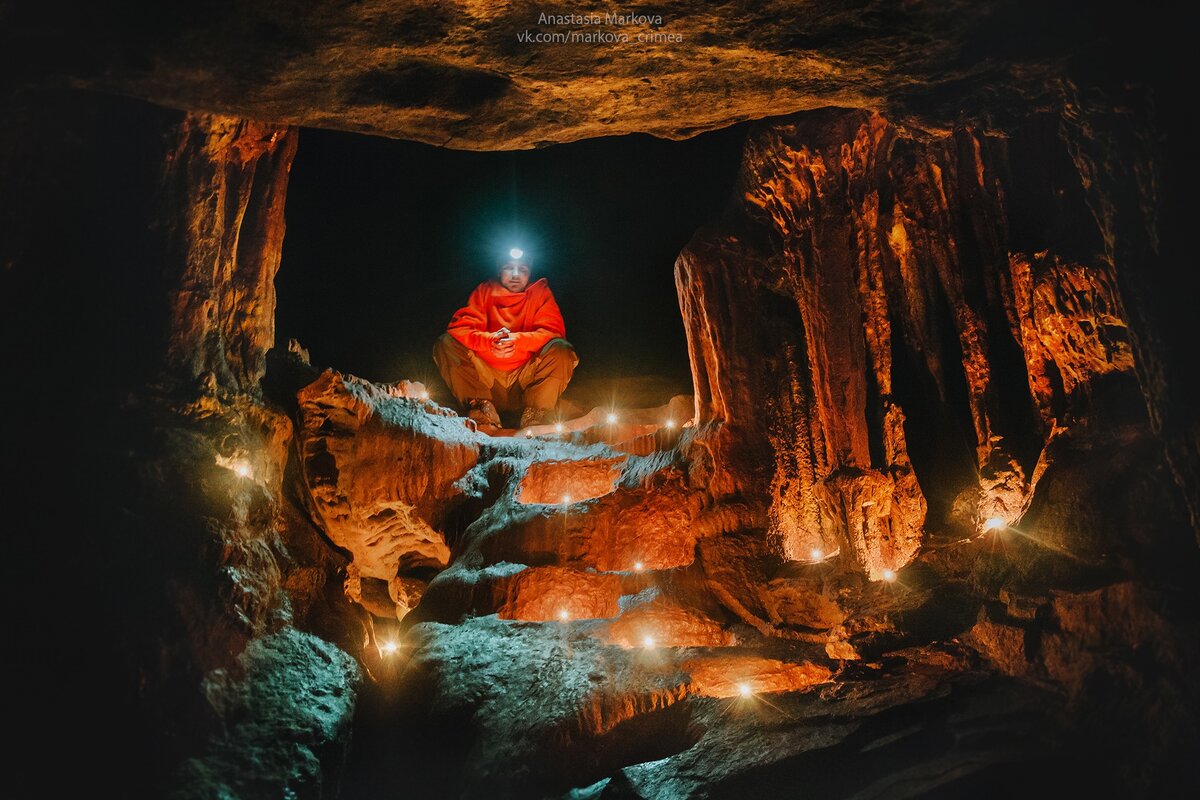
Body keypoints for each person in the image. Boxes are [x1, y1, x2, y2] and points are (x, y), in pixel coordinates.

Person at [433, 252, 578, 431]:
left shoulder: (540, 293)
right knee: (446, 343)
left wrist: (517, 340)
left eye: (522, 269)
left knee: (561, 349)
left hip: (525, 383)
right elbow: (458, 329)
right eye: (509, 267)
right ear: (499, 269)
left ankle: (537, 416)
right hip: (487, 383)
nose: (515, 275)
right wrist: (490, 341)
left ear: (530, 271)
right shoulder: (484, 292)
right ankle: (482, 411)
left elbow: (553, 332)